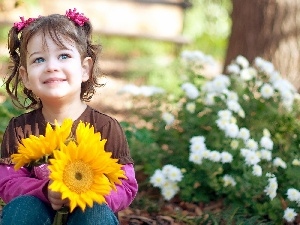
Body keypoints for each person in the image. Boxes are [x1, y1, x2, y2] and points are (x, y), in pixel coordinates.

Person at [0, 8, 138, 225]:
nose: (52, 67)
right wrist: (46, 191)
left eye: (64, 56)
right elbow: (7, 181)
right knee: (21, 208)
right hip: (39, 215)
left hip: (88, 212)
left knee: (96, 214)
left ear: (85, 69)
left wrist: (89, 193)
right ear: (25, 77)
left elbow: (126, 185)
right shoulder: (20, 129)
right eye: (38, 60)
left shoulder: (106, 128)